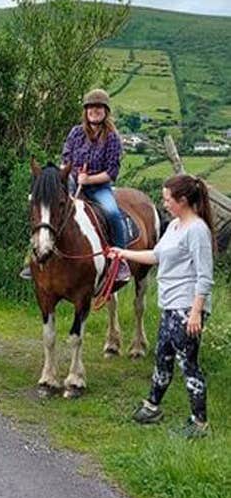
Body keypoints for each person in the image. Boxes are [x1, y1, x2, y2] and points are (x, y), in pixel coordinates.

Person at [110, 175, 215, 439]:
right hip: (170, 304)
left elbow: (205, 276)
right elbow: (156, 256)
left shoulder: (197, 231)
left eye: (168, 199)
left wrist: (195, 312)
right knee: (162, 358)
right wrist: (122, 253)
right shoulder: (174, 227)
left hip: (186, 307)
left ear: (182, 201)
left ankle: (200, 423)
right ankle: (152, 406)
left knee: (188, 364)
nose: (164, 203)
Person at [20, 88, 129, 280]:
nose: (94, 111)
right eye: (90, 108)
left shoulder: (112, 138)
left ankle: (120, 261)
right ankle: (33, 257)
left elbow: (111, 172)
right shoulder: (76, 133)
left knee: (113, 213)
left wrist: (89, 180)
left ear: (106, 111)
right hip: (71, 182)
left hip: (98, 187)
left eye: (99, 107)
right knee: (46, 211)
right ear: (86, 111)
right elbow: (66, 159)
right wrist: (67, 176)